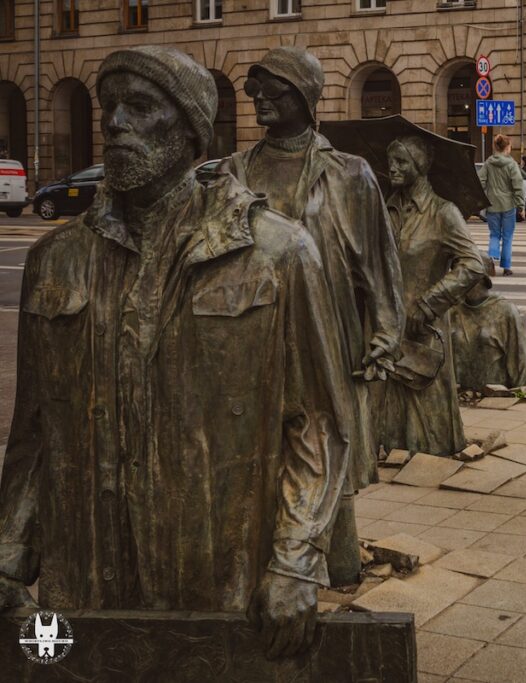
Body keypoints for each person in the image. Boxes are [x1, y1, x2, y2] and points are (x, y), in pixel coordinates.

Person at [0, 46, 351, 659]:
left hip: (215, 568)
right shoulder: (54, 261)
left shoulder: (277, 252)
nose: (113, 123)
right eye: (110, 108)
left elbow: (318, 421)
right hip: (87, 571)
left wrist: (296, 564)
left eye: (139, 107)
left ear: (189, 129)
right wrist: (9, 551)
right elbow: (33, 427)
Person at [221, 46, 404, 586]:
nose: (261, 100)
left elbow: (379, 260)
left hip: (329, 330)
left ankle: (338, 565)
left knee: (327, 443)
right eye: (257, 90)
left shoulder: (349, 174)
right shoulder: (235, 170)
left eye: (274, 89)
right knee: (258, 449)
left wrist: (386, 334)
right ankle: (269, 568)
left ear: (304, 94)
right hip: (252, 330)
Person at [382, 136, 486, 457]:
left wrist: (429, 304)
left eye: (401, 162)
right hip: (387, 323)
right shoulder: (384, 209)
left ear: (421, 166)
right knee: (386, 397)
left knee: (425, 397)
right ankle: (390, 446)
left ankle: (430, 447)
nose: (392, 168)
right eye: (391, 161)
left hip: (425, 325)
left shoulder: (443, 213)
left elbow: (472, 265)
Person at [451, 252, 526, 392]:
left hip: (495, 400)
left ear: (481, 278)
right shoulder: (451, 310)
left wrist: (518, 399)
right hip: (460, 400)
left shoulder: (504, 311)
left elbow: (521, 366)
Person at [478, 134, 525, 276]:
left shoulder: (488, 163)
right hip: (509, 205)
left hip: (492, 205)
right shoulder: (511, 165)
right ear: (507, 148)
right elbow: (518, 185)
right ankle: (506, 267)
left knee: (494, 235)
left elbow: (481, 182)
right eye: (510, 146)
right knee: (507, 236)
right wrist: (521, 206)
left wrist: (483, 198)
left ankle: (490, 261)